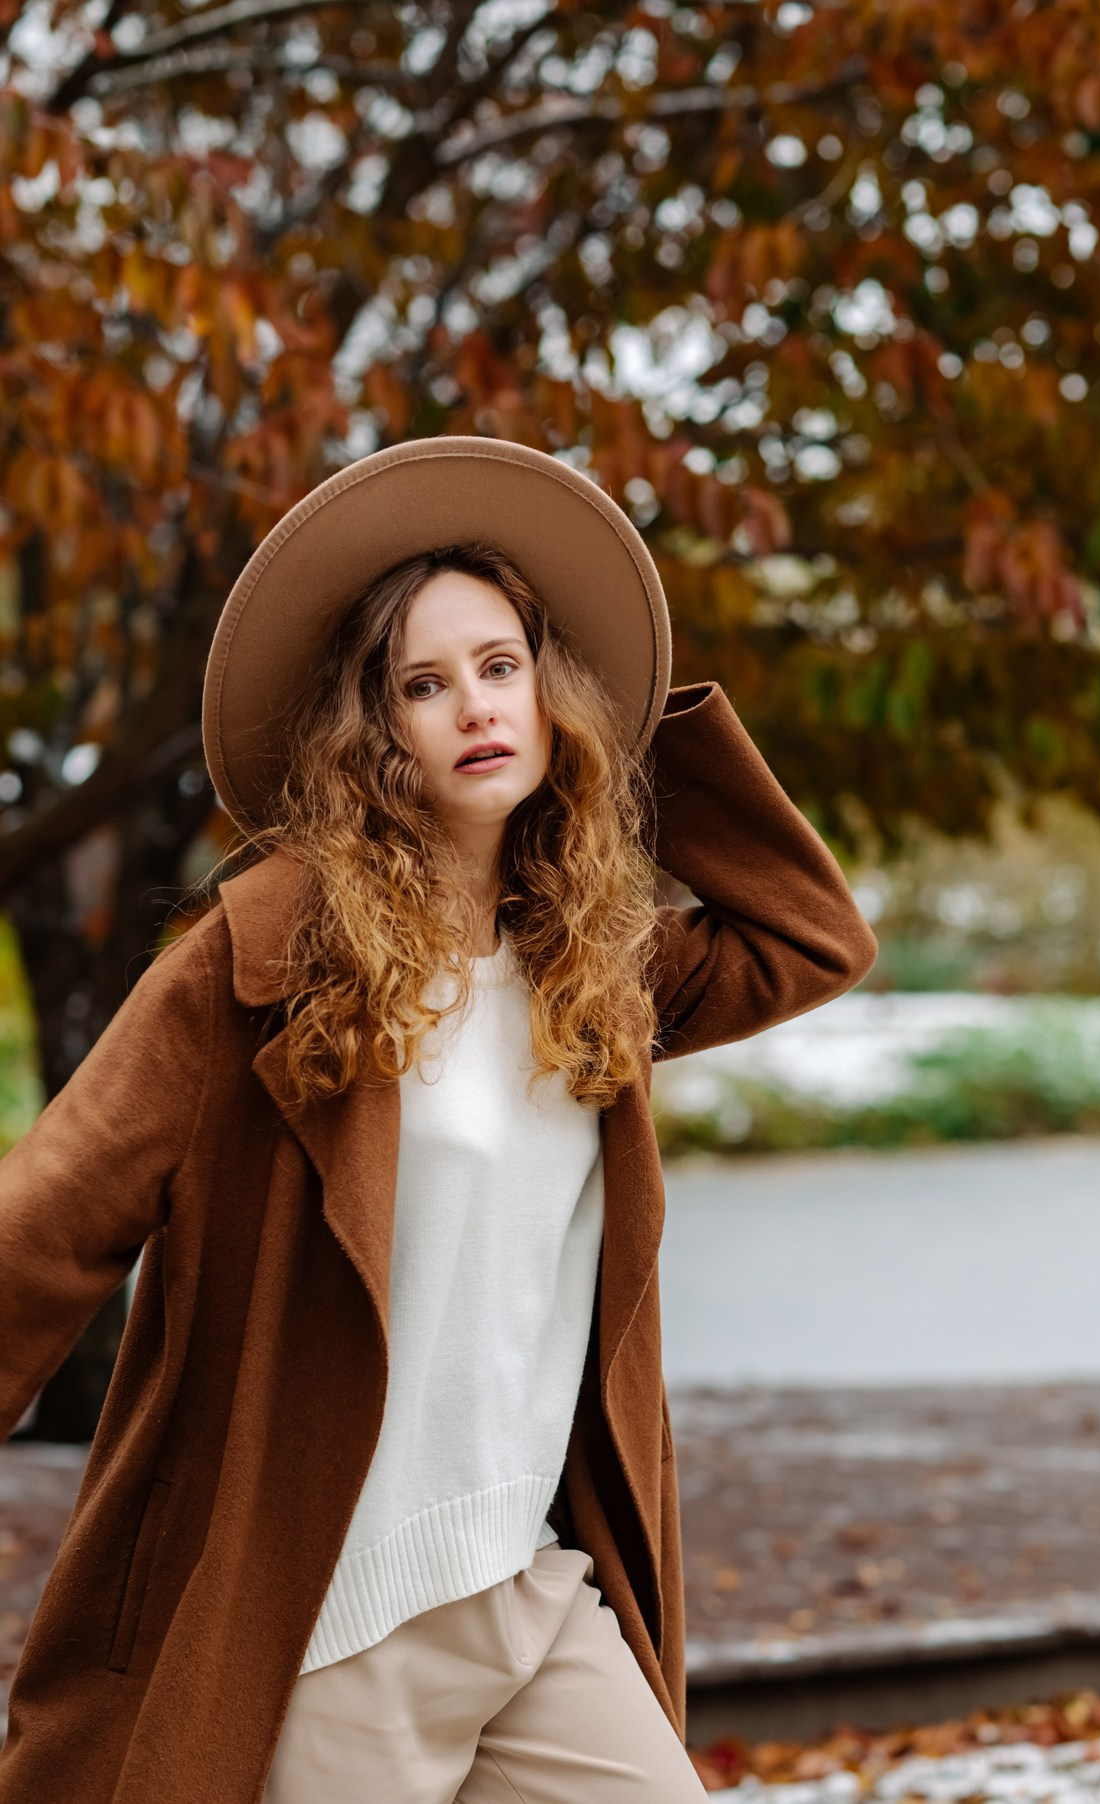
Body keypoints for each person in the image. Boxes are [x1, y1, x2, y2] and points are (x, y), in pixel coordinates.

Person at [0, 436, 878, 1803]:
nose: (471, 705)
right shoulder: (261, 965)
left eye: (500, 666)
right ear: (372, 733)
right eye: (421, 682)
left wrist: (651, 724)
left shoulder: (593, 962)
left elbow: (813, 935)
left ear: (549, 696)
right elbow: (36, 1235)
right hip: (335, 1625)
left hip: (530, 1586)